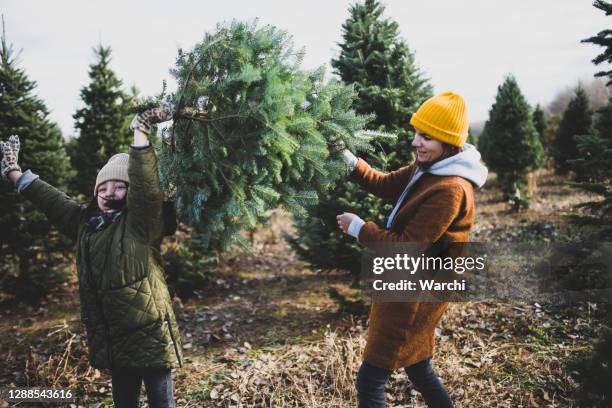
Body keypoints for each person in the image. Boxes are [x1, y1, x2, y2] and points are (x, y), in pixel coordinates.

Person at [0, 103, 183, 408]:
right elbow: (52, 201)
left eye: (120, 187)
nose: (110, 193)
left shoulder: (140, 223)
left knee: (161, 403)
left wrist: (141, 129)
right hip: (112, 335)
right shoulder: (86, 224)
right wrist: (13, 172)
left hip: (148, 333)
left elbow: (148, 190)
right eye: (104, 187)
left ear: (131, 192)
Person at [336, 92, 488, 407]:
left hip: (415, 295)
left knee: (371, 379)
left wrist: (359, 228)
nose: (415, 142)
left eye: (426, 137)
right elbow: (385, 184)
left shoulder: (450, 189)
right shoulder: (429, 168)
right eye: (416, 133)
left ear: (448, 142)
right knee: (418, 367)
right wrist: (347, 159)